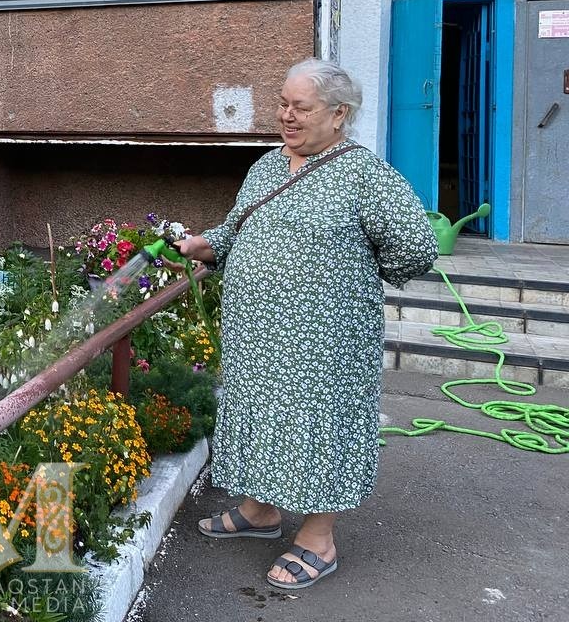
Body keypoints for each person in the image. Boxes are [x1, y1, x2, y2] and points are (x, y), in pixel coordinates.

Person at [174, 58, 436, 591]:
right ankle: (261, 509)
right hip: (257, 334)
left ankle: (319, 539)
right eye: (283, 104)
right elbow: (239, 227)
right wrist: (210, 244)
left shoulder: (365, 175)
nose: (287, 117)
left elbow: (415, 249)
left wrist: (347, 274)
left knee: (319, 426)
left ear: (339, 115)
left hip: (327, 340)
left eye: (302, 108)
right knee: (261, 416)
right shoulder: (267, 167)